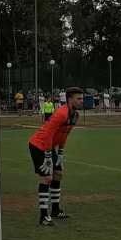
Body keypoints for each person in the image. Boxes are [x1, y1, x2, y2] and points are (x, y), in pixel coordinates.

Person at [28, 87, 83, 226]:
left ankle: (55, 210)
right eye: (78, 98)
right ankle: (43, 216)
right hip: (38, 145)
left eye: (82, 98)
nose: (81, 101)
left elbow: (65, 134)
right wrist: (48, 157)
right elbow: (48, 134)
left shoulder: (75, 116)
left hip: (49, 147)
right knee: (47, 177)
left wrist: (61, 153)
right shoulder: (61, 113)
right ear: (69, 99)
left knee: (58, 174)